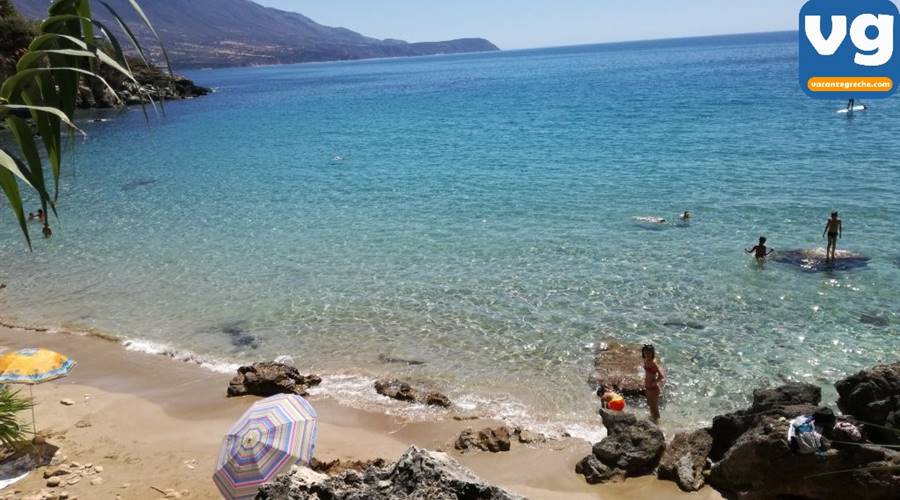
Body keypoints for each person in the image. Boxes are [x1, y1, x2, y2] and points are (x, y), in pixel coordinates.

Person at [642, 344, 664, 423]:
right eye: (646, 352)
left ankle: (657, 423)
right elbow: (648, 374)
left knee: (655, 407)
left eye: (649, 353)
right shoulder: (645, 360)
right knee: (650, 405)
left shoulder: (653, 363)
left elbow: (661, 376)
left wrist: (653, 383)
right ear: (643, 352)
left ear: (652, 353)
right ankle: (652, 421)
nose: (647, 354)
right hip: (648, 388)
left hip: (653, 389)